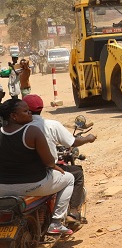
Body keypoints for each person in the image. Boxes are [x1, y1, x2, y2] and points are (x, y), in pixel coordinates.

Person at [0, 98, 75, 235]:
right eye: (25, 110)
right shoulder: (32, 131)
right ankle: (56, 223)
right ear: (13, 116)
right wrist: (53, 166)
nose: (30, 113)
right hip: (33, 184)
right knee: (69, 178)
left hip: (2, 188)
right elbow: (48, 161)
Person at [24, 94, 97, 226]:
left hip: (16, 176)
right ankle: (72, 213)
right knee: (76, 174)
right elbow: (72, 142)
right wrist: (88, 138)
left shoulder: (11, 128)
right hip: (41, 174)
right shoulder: (50, 125)